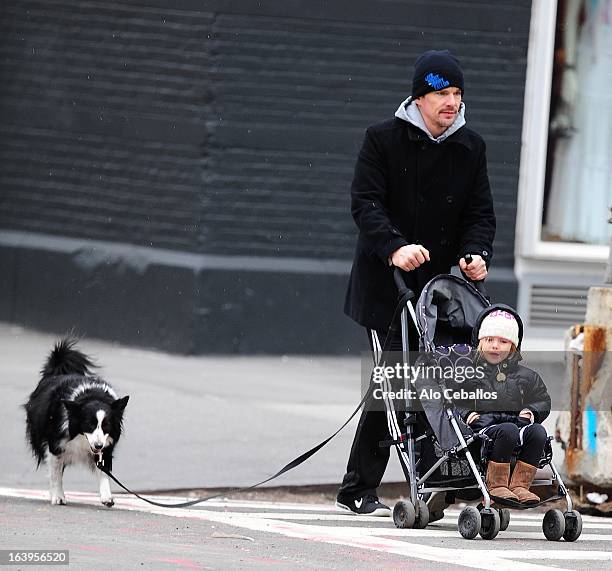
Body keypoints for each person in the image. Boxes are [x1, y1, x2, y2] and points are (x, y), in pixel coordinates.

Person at [336, 49, 496, 516]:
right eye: (442, 94)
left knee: (435, 381)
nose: (452, 103)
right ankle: (361, 487)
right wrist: (394, 247)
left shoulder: (472, 147)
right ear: (419, 97)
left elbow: (479, 215)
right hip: (388, 286)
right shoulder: (382, 139)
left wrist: (476, 256)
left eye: (457, 94)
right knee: (396, 382)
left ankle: (429, 484)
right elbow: (365, 203)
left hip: (441, 292)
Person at [460, 307, 551, 505]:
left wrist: (533, 411)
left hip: (517, 425)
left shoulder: (527, 376)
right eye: (489, 340)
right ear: (480, 343)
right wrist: (467, 413)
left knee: (538, 433)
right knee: (507, 431)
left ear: (513, 347)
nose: (495, 346)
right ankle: (497, 484)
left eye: (503, 341)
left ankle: (520, 485)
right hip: (484, 427)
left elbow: (542, 399)